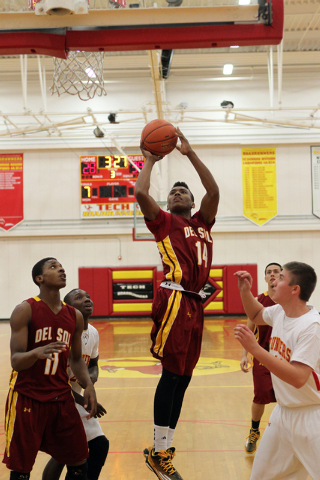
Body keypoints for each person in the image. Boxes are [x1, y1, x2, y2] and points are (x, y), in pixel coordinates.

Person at [135, 127, 220, 480]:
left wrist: (190, 153)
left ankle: (164, 450)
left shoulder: (203, 221)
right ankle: (157, 449)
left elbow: (213, 191)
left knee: (183, 379)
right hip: (174, 299)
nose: (178, 193)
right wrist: (151, 161)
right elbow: (141, 191)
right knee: (170, 376)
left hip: (195, 305)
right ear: (169, 203)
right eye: (173, 192)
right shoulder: (164, 223)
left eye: (183, 190)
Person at [3, 257, 97, 480]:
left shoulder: (73, 316)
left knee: (79, 462)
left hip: (60, 398)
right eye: (53, 267)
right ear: (40, 278)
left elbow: (75, 360)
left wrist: (89, 385)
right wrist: (36, 353)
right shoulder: (25, 310)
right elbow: (16, 360)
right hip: (28, 398)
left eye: (62, 267)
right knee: (22, 469)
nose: (61, 270)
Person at [234, 262, 320, 480]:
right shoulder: (280, 312)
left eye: (280, 277)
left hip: (312, 416)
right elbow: (256, 314)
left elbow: (298, 377)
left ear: (295, 289)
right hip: (282, 415)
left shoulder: (312, 327)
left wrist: (255, 349)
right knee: (261, 477)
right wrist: (245, 291)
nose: (274, 280)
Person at [42, 288, 109, 480]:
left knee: (98, 445)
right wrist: (85, 400)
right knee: (64, 454)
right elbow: (54, 383)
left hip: (76, 399)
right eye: (79, 298)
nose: (87, 299)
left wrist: (89, 382)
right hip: (56, 399)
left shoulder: (94, 332)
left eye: (87, 296)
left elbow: (94, 365)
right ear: (69, 308)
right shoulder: (62, 335)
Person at [240, 262, 282, 454]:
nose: (272, 275)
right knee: (261, 396)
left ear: (283, 276)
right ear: (265, 278)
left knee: (286, 397)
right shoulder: (259, 301)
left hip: (285, 357)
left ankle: (285, 434)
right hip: (263, 355)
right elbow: (250, 328)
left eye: (276, 272)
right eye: (269, 272)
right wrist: (244, 354)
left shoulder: (289, 300)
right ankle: (254, 430)